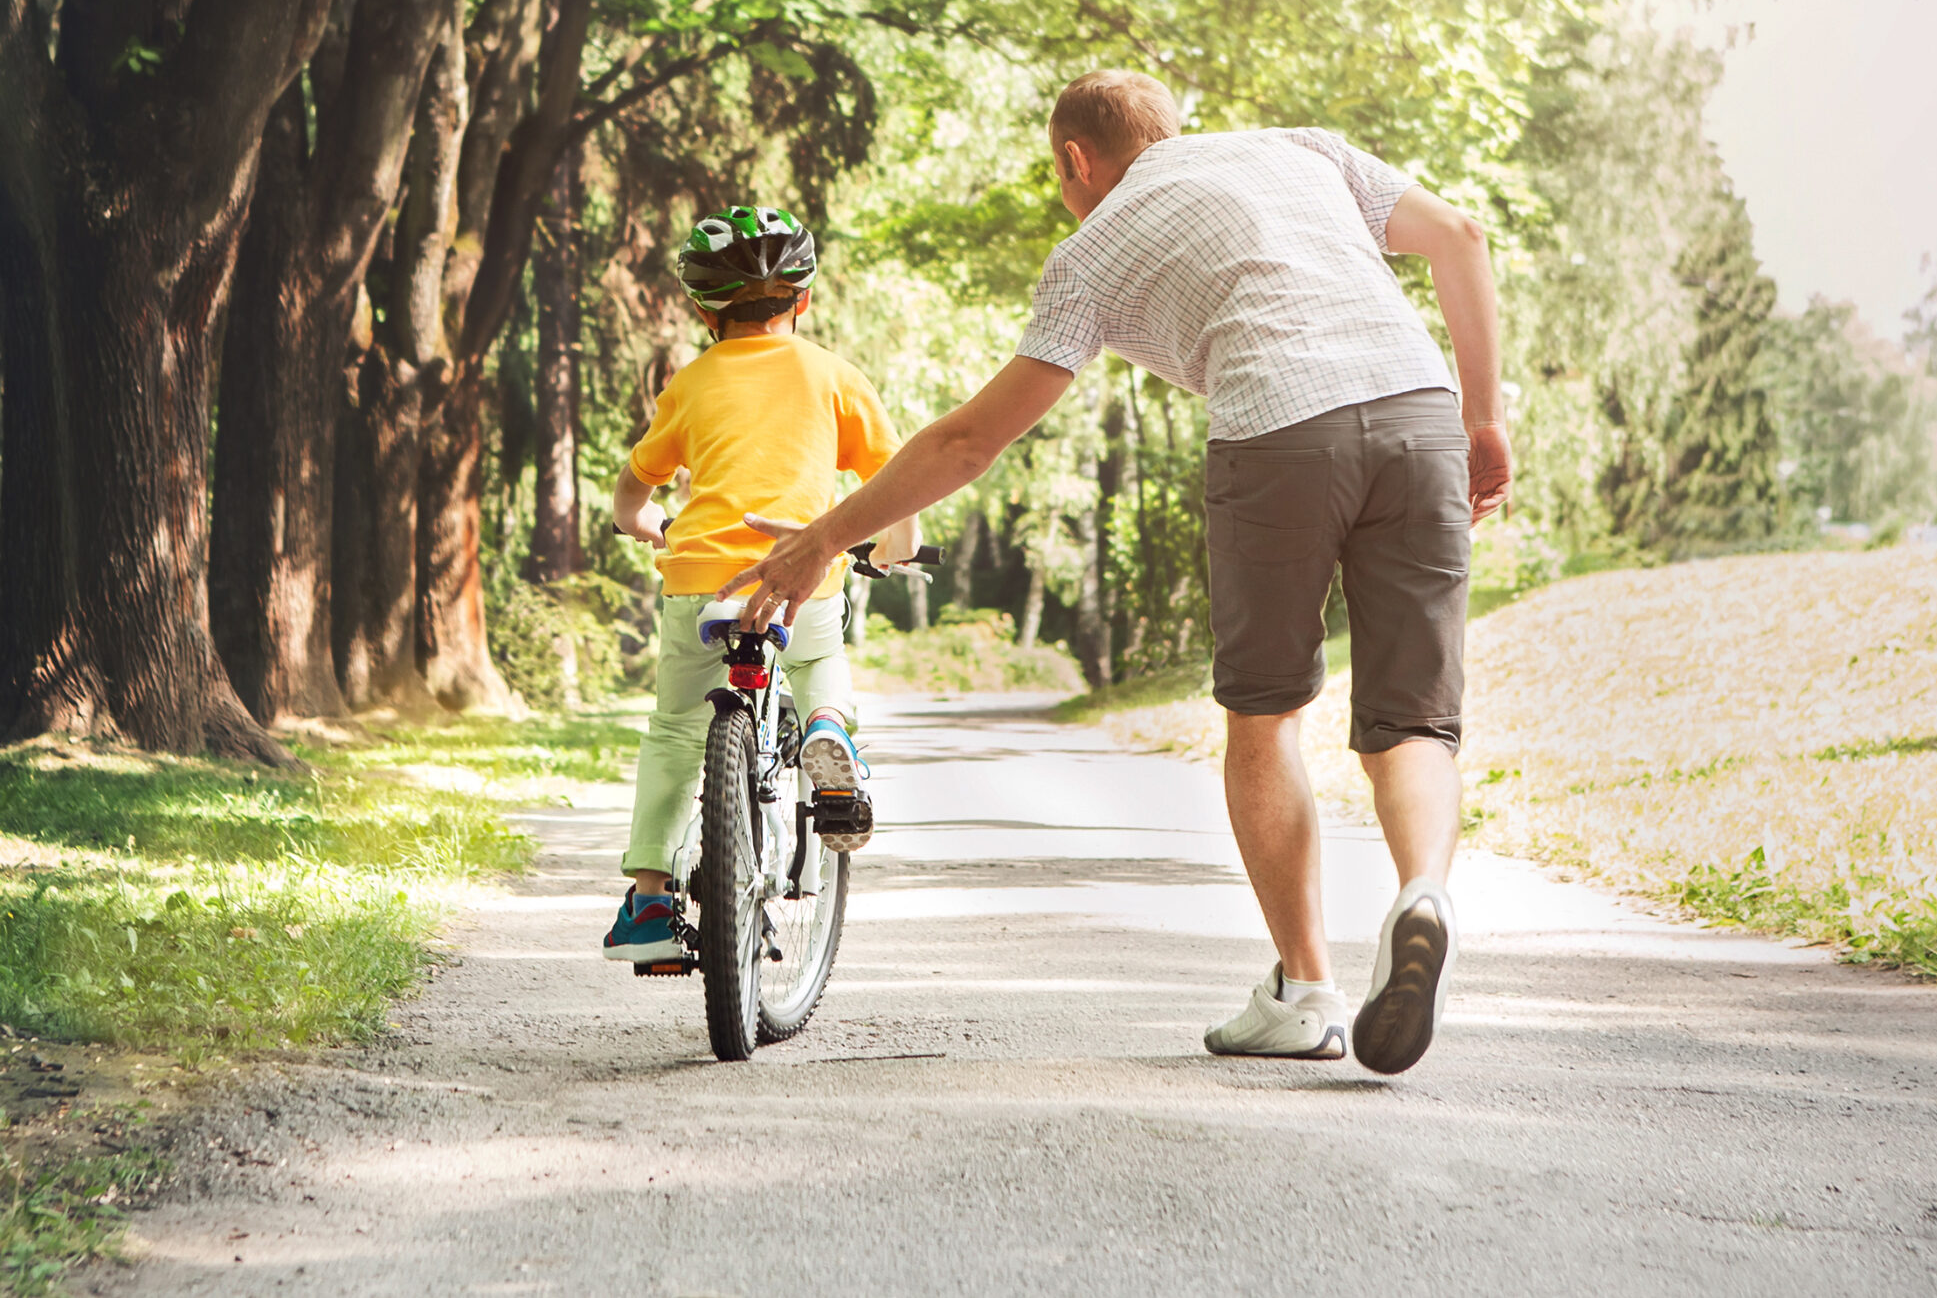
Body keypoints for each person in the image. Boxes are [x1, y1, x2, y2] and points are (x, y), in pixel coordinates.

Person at [720, 73, 1511, 1073]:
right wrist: (1484, 420)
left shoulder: (1090, 249)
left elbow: (968, 442)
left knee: (1263, 717)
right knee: (1412, 720)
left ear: (1073, 162)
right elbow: (1461, 238)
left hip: (1276, 429)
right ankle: (1421, 891)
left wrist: (824, 534)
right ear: (1169, 130)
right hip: (1415, 409)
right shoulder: (1301, 146)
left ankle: (1305, 989)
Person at [600, 205, 919, 964]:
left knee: (678, 728)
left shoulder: (690, 383)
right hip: (800, 577)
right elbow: (896, 484)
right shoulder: (834, 375)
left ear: (703, 308)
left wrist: (643, 523)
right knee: (815, 660)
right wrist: (893, 550)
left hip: (702, 586)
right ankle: (828, 731)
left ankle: (649, 902)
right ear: (803, 298)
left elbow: (632, 487)